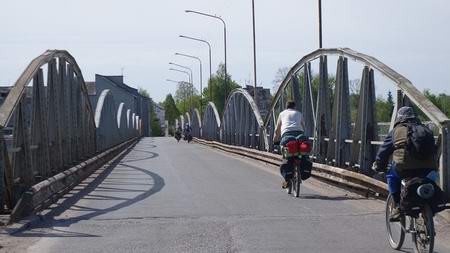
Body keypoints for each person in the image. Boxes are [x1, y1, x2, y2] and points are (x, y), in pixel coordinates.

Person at [372, 106, 438, 221]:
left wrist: (379, 166)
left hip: (405, 170)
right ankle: (428, 212)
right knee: (429, 178)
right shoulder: (426, 129)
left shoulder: (396, 131)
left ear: (399, 118)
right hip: (429, 169)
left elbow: (383, 152)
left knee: (391, 175)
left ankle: (398, 207)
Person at [273, 101, 306, 188]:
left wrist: (275, 140)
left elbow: (277, 130)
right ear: (294, 107)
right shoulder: (299, 113)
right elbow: (304, 126)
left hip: (287, 135)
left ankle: (286, 179)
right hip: (300, 134)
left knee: (286, 154)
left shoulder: (281, 114)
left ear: (286, 107)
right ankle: (301, 170)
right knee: (301, 152)